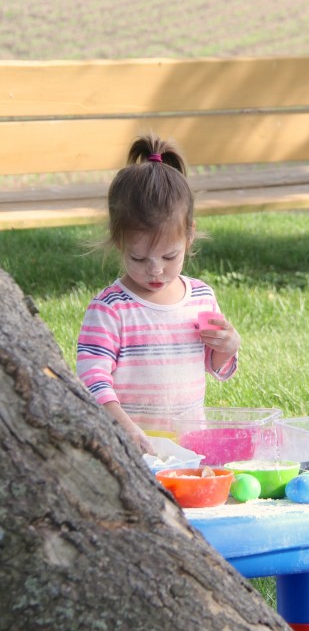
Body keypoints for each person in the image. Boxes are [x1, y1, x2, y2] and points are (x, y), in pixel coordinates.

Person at [77, 135, 241, 454]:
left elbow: (214, 365)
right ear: (119, 240)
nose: (155, 271)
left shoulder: (200, 297)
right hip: (131, 444)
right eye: (139, 258)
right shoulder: (110, 309)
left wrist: (228, 346)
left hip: (188, 443)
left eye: (169, 257)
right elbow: (91, 380)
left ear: (189, 235)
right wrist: (126, 429)